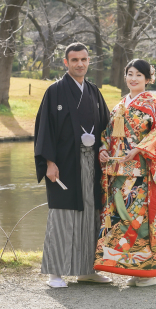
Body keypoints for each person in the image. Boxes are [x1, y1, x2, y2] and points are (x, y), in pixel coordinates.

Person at [94, 59, 156, 287]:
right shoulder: (120, 105)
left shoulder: (153, 104)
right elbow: (107, 133)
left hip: (142, 174)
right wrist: (103, 149)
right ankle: (133, 269)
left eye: (138, 75)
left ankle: (149, 270)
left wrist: (138, 149)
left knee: (141, 220)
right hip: (118, 172)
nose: (133, 79)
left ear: (148, 79)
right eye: (130, 74)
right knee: (121, 220)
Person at [34, 42, 112, 288]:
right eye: (74, 60)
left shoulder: (93, 92)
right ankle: (55, 273)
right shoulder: (55, 91)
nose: (80, 64)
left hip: (92, 164)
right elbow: (44, 129)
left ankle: (87, 270)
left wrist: (104, 149)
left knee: (92, 215)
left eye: (84, 59)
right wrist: (49, 162)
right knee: (63, 216)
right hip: (65, 163)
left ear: (89, 62)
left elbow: (106, 127)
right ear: (66, 63)